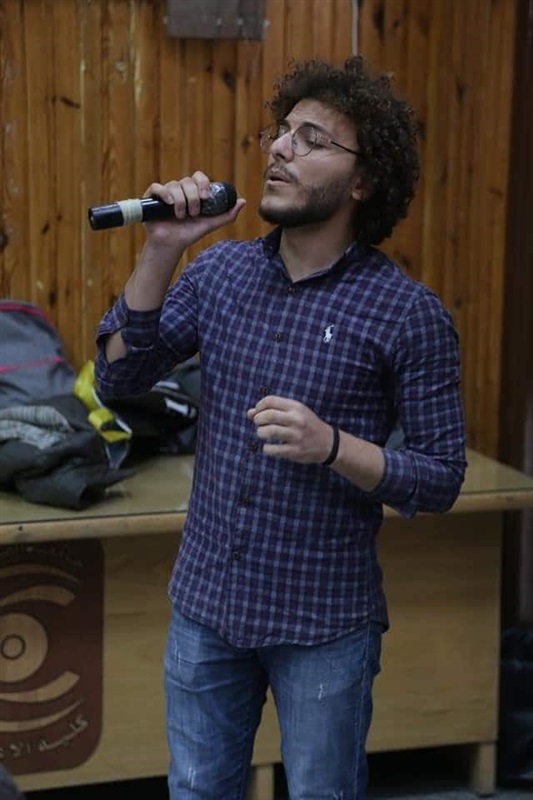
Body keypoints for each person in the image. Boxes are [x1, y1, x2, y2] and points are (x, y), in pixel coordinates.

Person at [94, 56, 467, 800]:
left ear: (362, 181)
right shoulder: (220, 274)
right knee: (197, 790)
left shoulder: (405, 312)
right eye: (281, 132)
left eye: (311, 139)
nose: (280, 149)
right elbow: (118, 379)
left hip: (323, 622)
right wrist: (163, 247)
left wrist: (332, 446)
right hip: (206, 605)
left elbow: (440, 478)